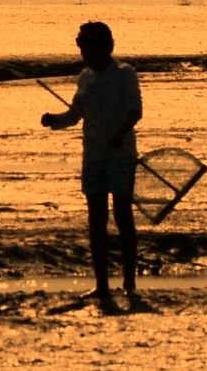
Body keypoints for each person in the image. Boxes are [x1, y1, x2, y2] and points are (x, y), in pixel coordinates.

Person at [40, 20, 143, 312]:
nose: (84, 52)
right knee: (96, 220)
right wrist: (54, 121)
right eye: (81, 46)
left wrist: (119, 136)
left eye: (88, 46)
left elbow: (135, 111)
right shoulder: (84, 79)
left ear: (106, 47)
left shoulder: (125, 74)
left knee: (122, 216)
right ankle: (102, 285)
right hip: (94, 157)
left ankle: (129, 282)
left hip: (121, 156)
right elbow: (75, 115)